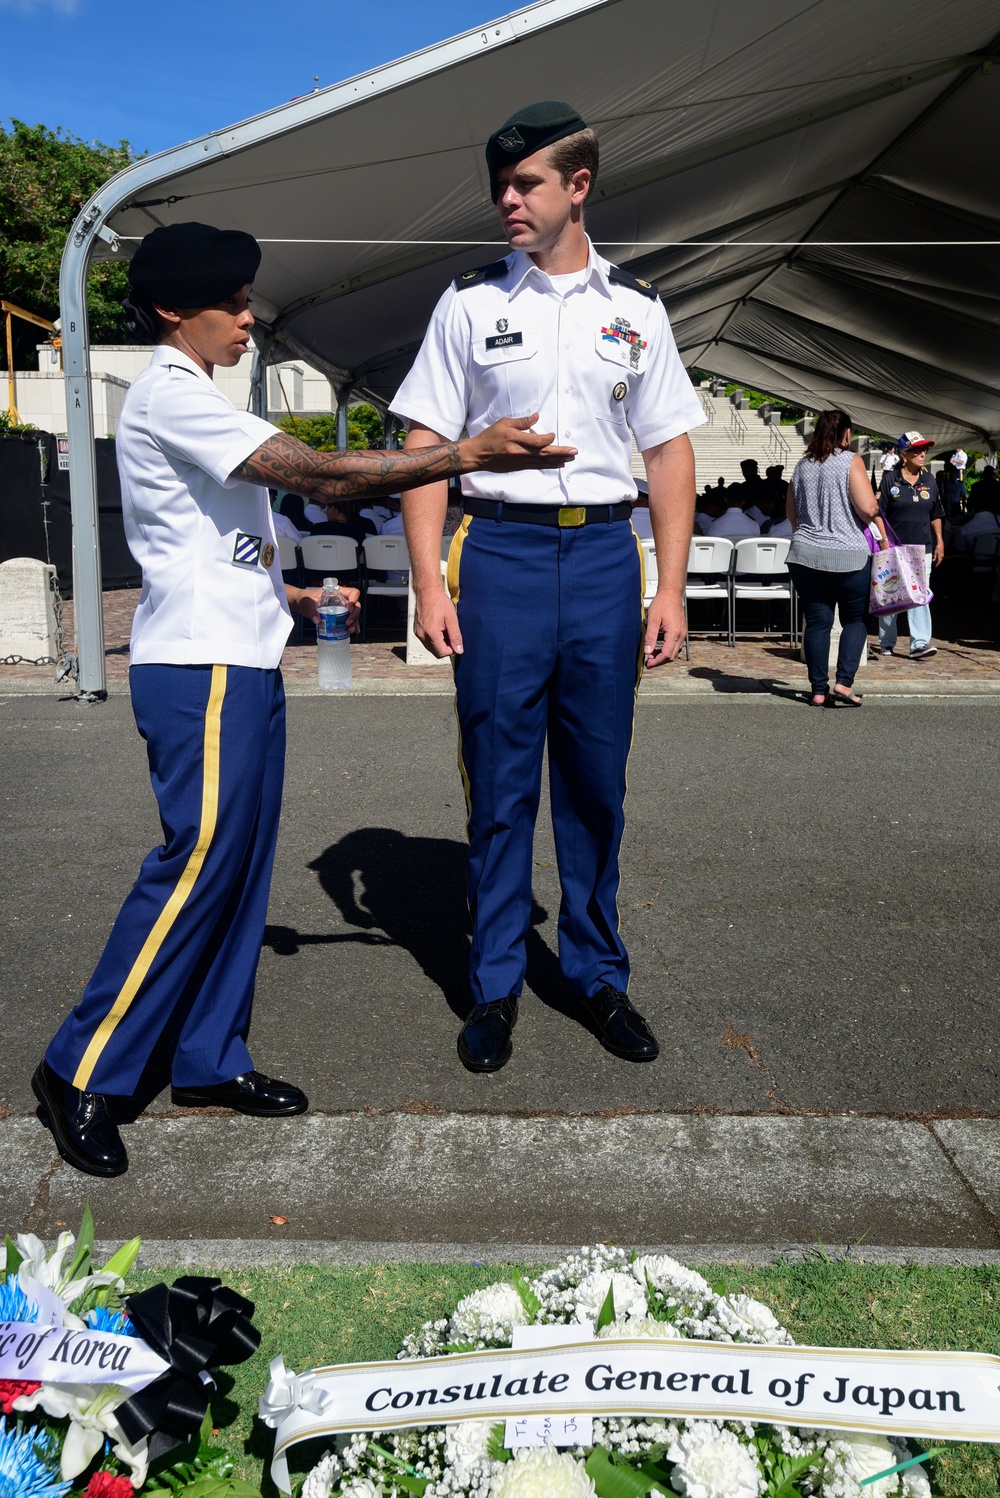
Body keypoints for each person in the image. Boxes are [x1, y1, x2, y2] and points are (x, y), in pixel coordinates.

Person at [34, 220, 572, 1178]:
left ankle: (206, 1058)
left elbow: (204, 537)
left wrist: (292, 593)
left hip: (239, 656)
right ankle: (81, 1070)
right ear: (173, 312)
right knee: (195, 864)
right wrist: (466, 454)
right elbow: (318, 471)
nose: (248, 320)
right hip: (197, 669)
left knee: (239, 876)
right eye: (232, 305)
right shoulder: (169, 391)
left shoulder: (193, 392)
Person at [390, 100, 704, 1074]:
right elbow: (423, 449)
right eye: (500, 185)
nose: (506, 201)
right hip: (504, 561)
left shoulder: (636, 308)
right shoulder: (472, 303)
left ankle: (595, 973)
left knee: (596, 784)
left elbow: (668, 451)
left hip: (607, 561)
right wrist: (427, 588)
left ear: (579, 186)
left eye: (525, 183)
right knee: (498, 782)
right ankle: (490, 984)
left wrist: (671, 586)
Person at [786, 408, 888, 707]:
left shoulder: (802, 464)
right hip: (848, 555)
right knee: (854, 619)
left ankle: (818, 690)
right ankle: (843, 683)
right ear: (846, 433)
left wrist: (806, 533)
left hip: (804, 554)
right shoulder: (850, 460)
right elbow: (868, 508)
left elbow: (791, 511)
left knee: (817, 622)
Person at [877, 432, 944, 660]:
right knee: (891, 594)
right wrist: (883, 542)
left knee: (920, 596)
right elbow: (879, 514)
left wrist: (939, 542)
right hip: (894, 546)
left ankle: (920, 643)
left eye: (924, 450)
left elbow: (936, 513)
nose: (922, 454)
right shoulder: (890, 479)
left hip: (922, 546)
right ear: (904, 455)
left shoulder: (930, 480)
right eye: (916, 450)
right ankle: (886, 642)